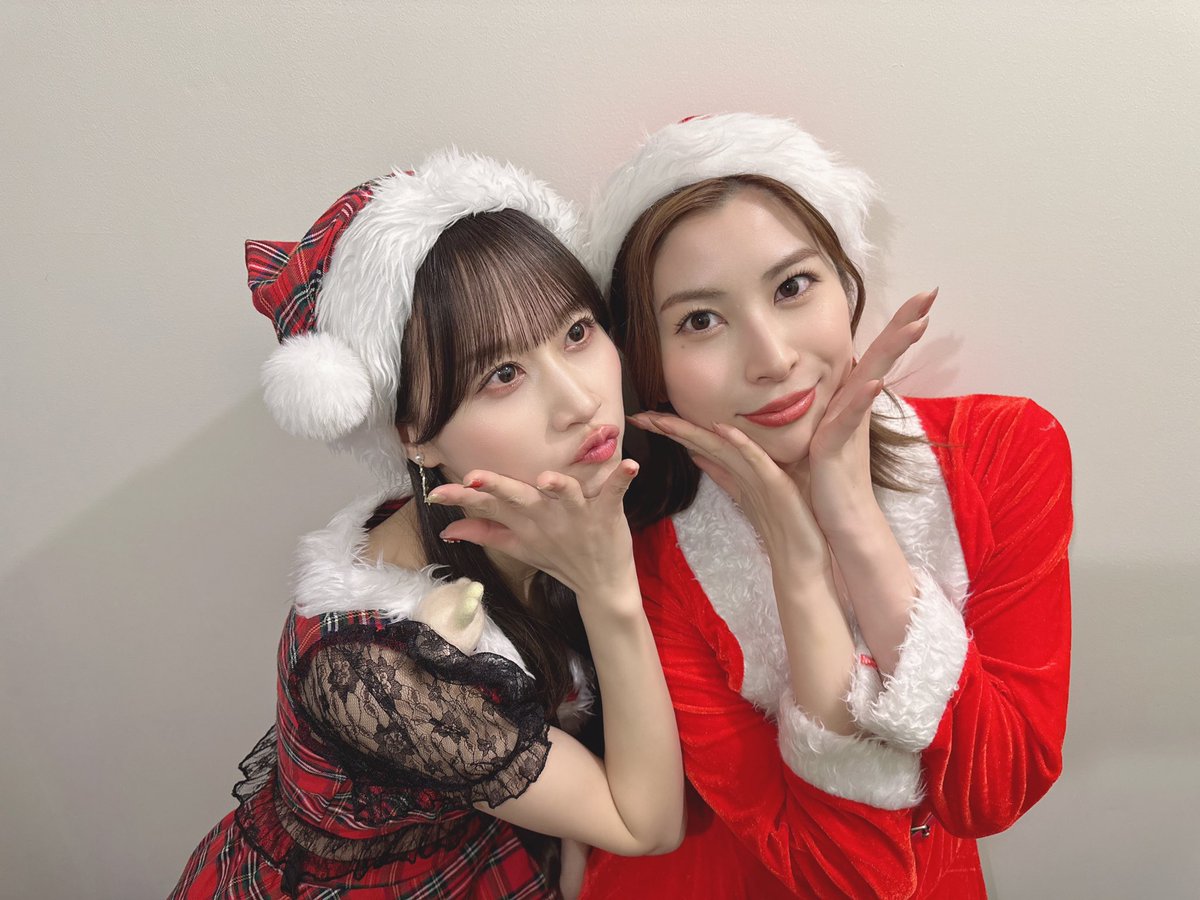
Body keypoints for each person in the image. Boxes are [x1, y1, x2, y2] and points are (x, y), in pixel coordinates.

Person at [578, 113, 1073, 898]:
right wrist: (800, 570)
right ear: (652, 361)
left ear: (846, 286)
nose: (772, 359)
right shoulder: (654, 567)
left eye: (792, 286)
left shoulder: (1004, 451)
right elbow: (848, 879)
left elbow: (995, 792)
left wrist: (857, 528)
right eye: (700, 321)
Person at [170, 150, 684, 899]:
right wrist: (610, 592)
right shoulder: (375, 664)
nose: (581, 401)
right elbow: (647, 825)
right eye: (503, 375)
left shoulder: (557, 499)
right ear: (415, 434)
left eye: (577, 333)